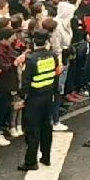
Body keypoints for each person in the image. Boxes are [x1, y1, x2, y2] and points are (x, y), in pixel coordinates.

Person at [19, 37, 59, 171]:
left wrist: (22, 98)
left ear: (34, 43)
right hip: (48, 96)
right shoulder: (52, 56)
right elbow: (56, 75)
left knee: (32, 130)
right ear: (46, 42)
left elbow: (25, 83)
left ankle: (31, 161)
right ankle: (46, 157)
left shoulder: (31, 59)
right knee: (46, 128)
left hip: (34, 99)